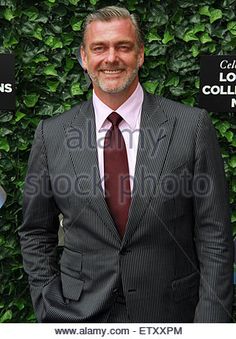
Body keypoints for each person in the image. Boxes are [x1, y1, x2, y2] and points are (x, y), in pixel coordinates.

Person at [19, 6, 233, 323]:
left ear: (141, 54)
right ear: (84, 57)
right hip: (78, 317)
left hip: (171, 315)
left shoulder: (191, 126)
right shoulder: (52, 134)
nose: (111, 58)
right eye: (99, 48)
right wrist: (50, 308)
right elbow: (36, 232)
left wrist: (210, 325)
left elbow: (214, 234)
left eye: (123, 46)